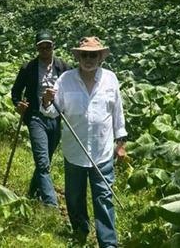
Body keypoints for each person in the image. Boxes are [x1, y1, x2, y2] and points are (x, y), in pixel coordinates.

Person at [40, 36, 127, 247]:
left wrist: (121, 143)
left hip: (102, 152)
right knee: (75, 197)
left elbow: (117, 112)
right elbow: (52, 113)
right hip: (74, 152)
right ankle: (80, 232)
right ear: (78, 57)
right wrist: (46, 101)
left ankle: (108, 242)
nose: (89, 59)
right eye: (85, 55)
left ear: (100, 57)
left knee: (104, 198)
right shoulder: (65, 80)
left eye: (93, 55)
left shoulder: (110, 79)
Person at [11, 31, 71, 207]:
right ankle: (51, 203)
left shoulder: (63, 67)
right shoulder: (28, 68)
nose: (44, 50)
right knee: (43, 162)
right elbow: (16, 92)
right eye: (41, 47)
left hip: (56, 117)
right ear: (37, 48)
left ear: (53, 46)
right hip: (36, 117)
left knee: (46, 160)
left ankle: (33, 191)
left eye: (48, 46)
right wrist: (18, 104)